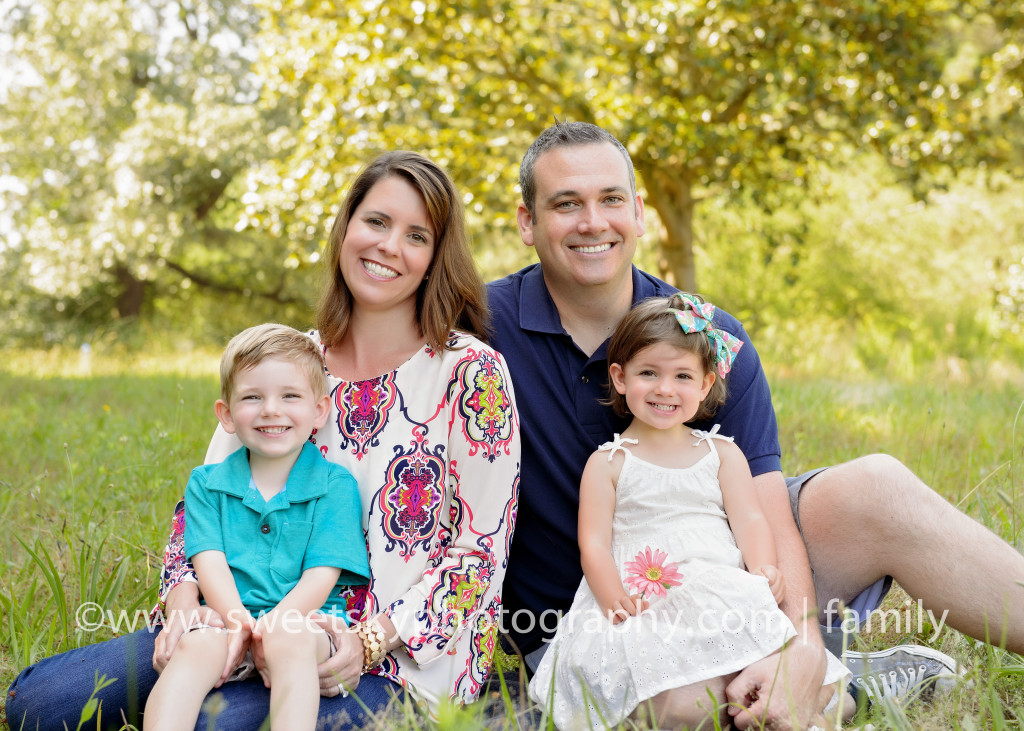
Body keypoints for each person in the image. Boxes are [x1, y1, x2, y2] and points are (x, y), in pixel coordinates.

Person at [488, 121, 1023, 729]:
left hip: (720, 578)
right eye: (566, 204)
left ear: (638, 212)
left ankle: (812, 669)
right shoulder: (477, 327)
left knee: (878, 486)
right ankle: (852, 689)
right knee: (699, 710)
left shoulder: (707, 334)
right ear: (527, 222)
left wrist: (796, 637)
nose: (593, 222)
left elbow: (763, 506)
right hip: (595, 617)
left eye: (611, 199)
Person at [5, 151, 521, 730]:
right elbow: (200, 506)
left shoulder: (469, 373)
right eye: (376, 221)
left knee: (211, 725)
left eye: (416, 235)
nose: (388, 246)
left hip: (385, 658)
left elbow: (478, 556)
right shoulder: (288, 361)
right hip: (237, 616)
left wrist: (367, 643)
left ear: (434, 258)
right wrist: (183, 611)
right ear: (347, 227)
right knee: (40, 704)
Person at [528, 293, 852, 729]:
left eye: (683, 375)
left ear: (704, 384)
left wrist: (764, 566)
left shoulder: (721, 453)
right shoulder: (608, 462)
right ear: (620, 378)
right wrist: (613, 599)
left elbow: (751, 519)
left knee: (765, 660)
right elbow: (594, 544)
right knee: (668, 684)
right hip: (644, 597)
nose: (665, 389)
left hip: (717, 583)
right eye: (649, 373)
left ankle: (812, 703)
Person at [143, 323, 370, 731]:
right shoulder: (207, 484)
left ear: (319, 411)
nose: (270, 409)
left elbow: (323, 574)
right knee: (196, 644)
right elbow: (207, 561)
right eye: (252, 397)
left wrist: (272, 625)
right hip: (228, 617)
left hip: (308, 623)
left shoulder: (335, 486)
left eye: (289, 396)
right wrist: (236, 621)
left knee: (289, 637)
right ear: (227, 415)